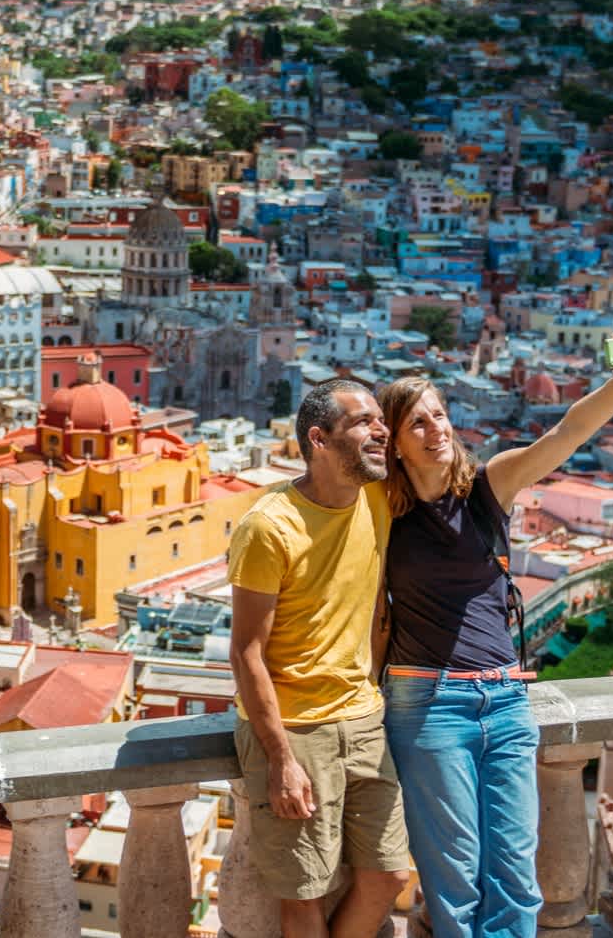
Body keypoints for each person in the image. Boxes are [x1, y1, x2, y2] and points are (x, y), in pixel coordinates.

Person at [376, 327, 613, 938]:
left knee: (516, 879)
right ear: (394, 444)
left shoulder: (487, 488)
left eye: (441, 415)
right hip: (428, 704)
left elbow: (566, 434)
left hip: (505, 701)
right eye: (418, 423)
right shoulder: (381, 513)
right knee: (454, 881)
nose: (438, 429)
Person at [228, 377, 412, 938]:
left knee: (388, 874)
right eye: (363, 422)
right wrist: (280, 757)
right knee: (304, 893)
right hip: (295, 731)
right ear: (319, 439)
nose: (381, 430)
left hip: (363, 720)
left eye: (381, 420)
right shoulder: (269, 526)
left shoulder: (376, 497)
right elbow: (247, 653)